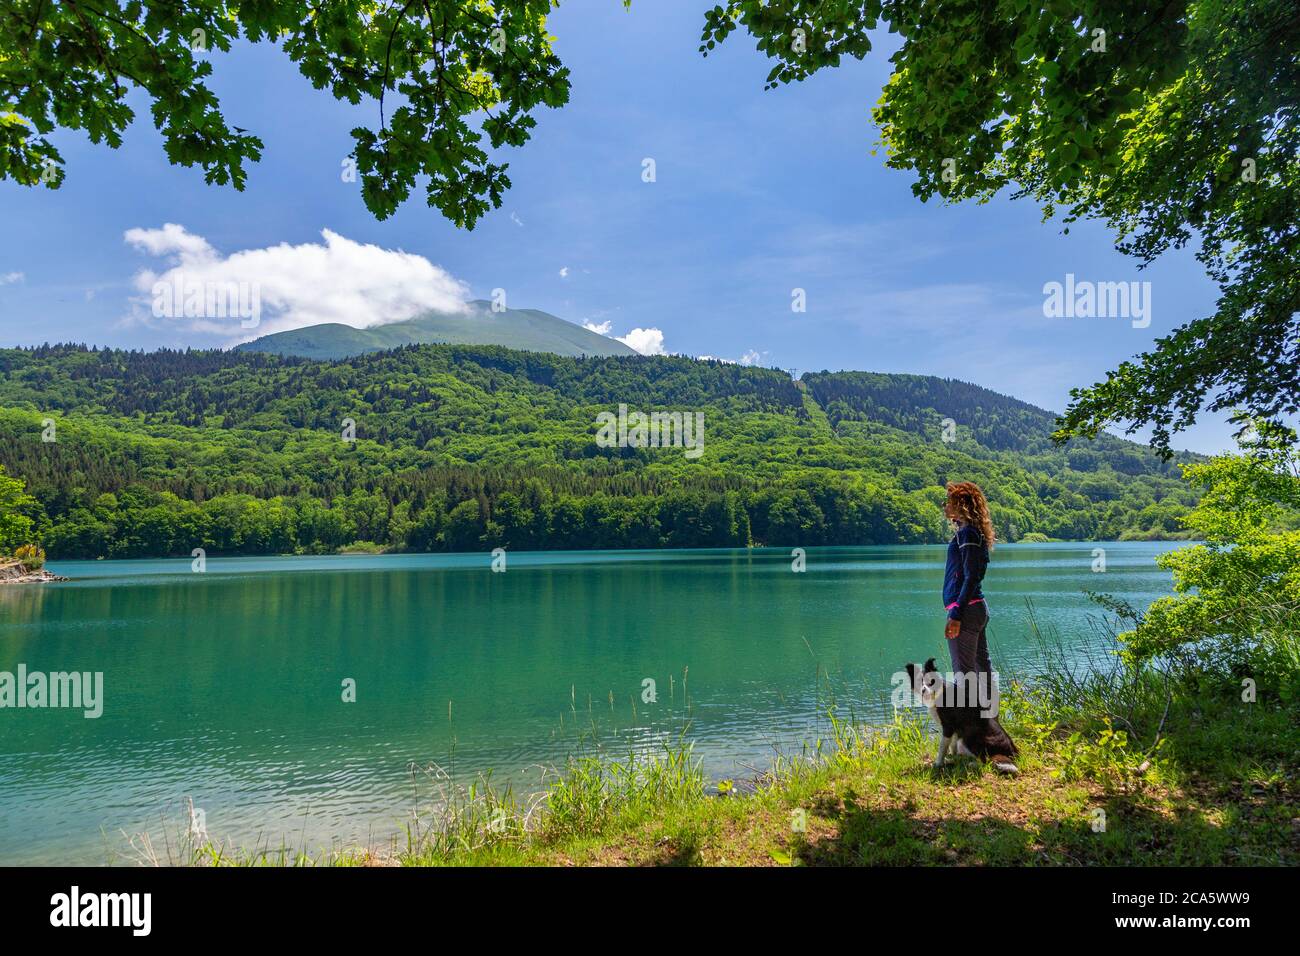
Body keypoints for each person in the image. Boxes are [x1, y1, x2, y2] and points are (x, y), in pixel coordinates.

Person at [941, 481, 995, 680]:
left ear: (960, 504)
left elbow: (971, 576)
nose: (945, 505)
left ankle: (968, 711)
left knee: (964, 674)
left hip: (966, 611)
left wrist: (956, 614)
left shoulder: (967, 533)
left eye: (948, 501)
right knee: (982, 670)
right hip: (974, 609)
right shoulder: (970, 531)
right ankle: (989, 712)